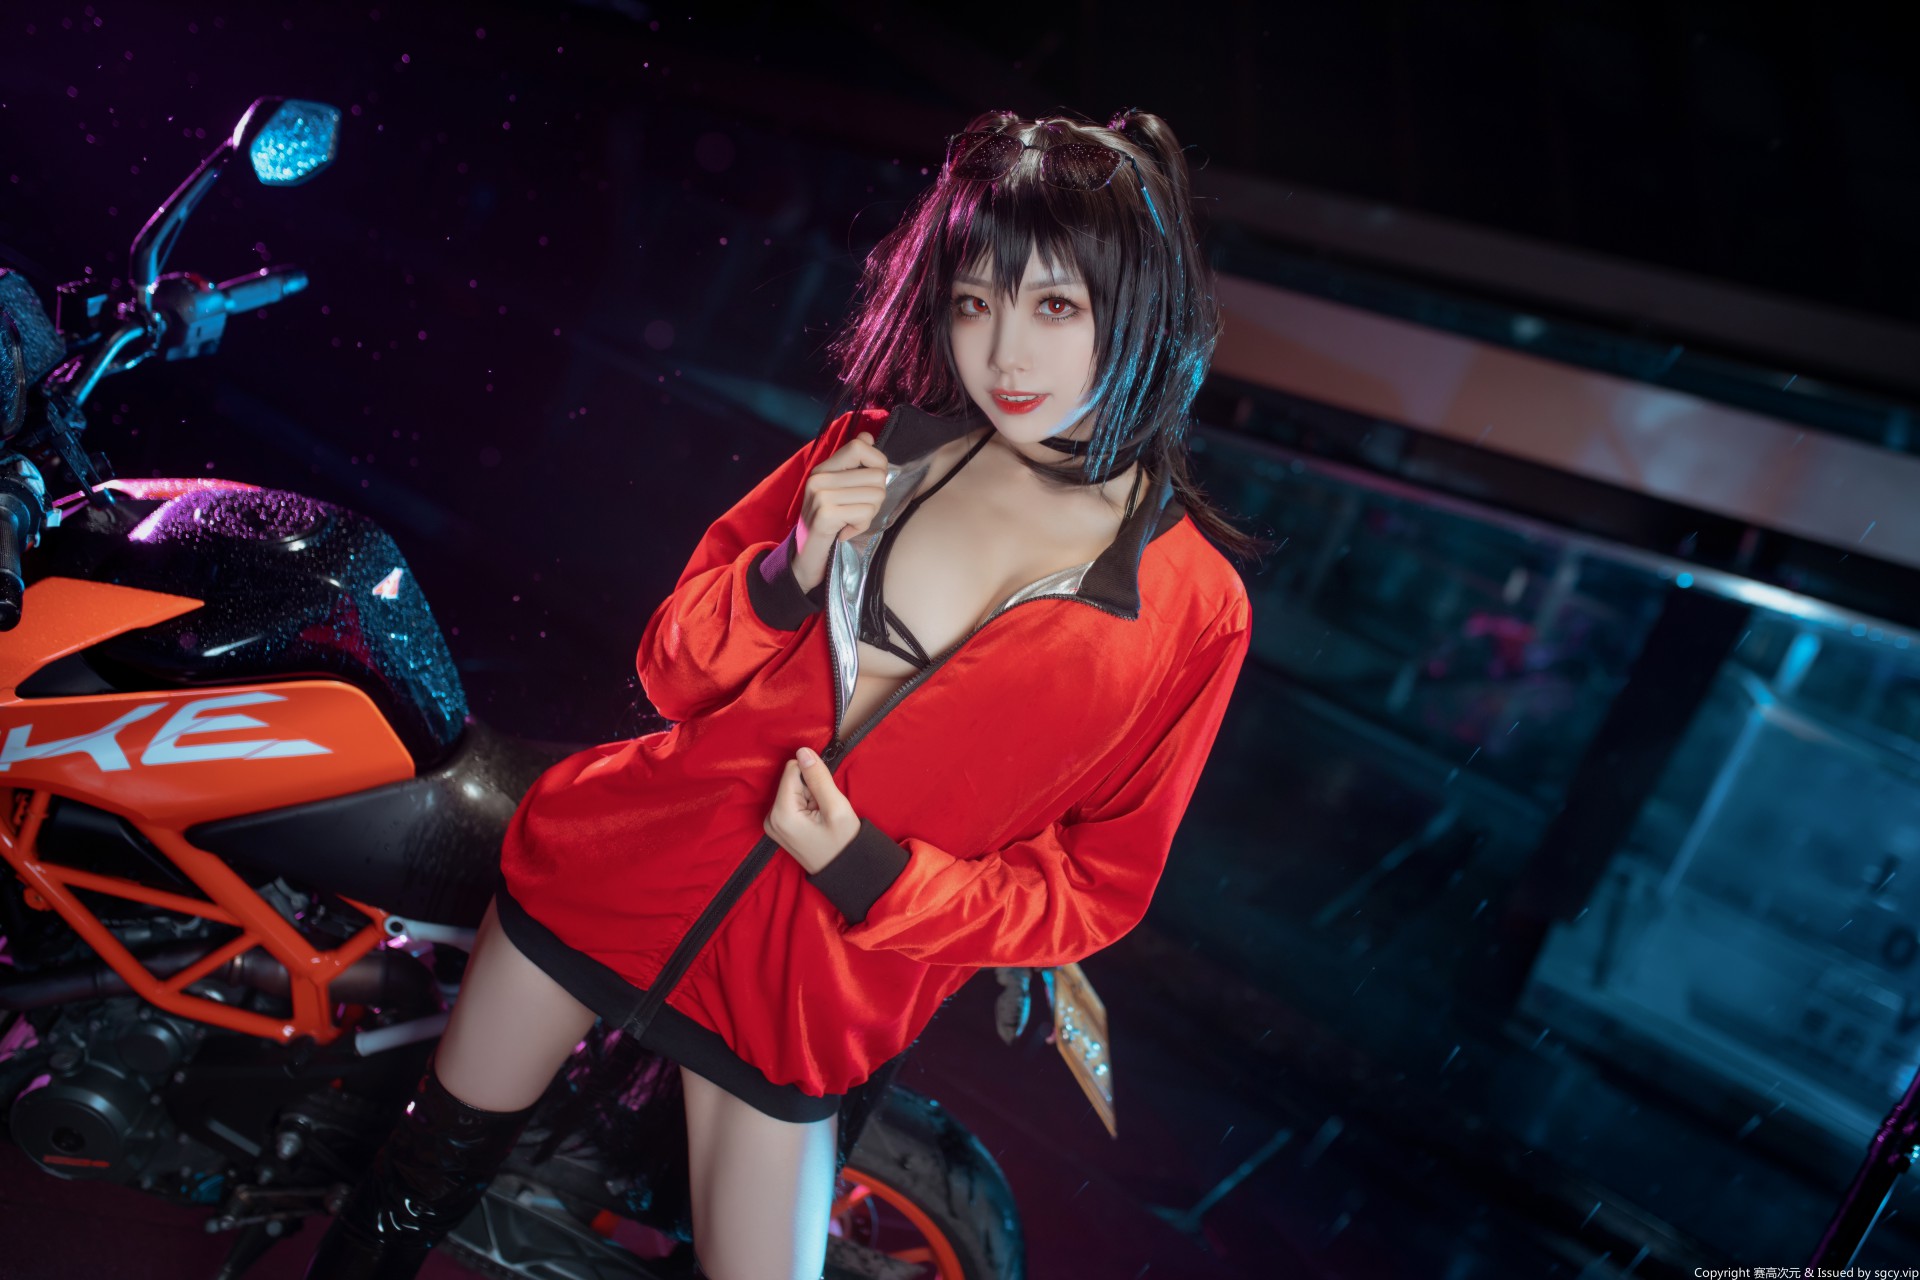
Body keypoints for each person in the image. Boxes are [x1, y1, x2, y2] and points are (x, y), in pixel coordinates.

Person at [302, 105, 1261, 1280]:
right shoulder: (875, 450)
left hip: (810, 998)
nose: (1005, 356)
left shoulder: (1190, 607)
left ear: (1142, 307)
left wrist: (872, 872)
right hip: (611, 875)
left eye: (1054, 306)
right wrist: (786, 573)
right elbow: (671, 669)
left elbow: (1095, 888)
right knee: (398, 1206)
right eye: (974, 302)